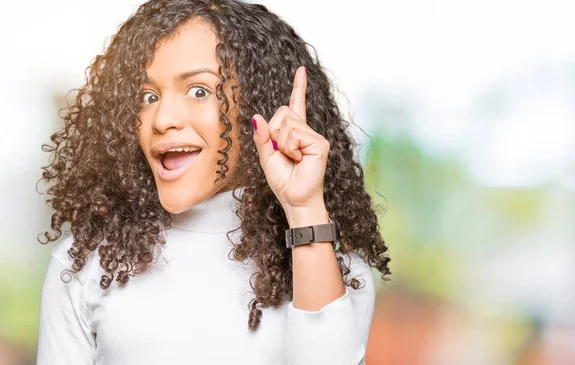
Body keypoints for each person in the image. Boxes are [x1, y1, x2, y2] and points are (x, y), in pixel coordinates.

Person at [36, 0, 391, 364]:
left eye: (199, 91)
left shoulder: (337, 272)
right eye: (148, 97)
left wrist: (303, 209)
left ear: (258, 103)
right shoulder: (87, 266)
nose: (162, 119)